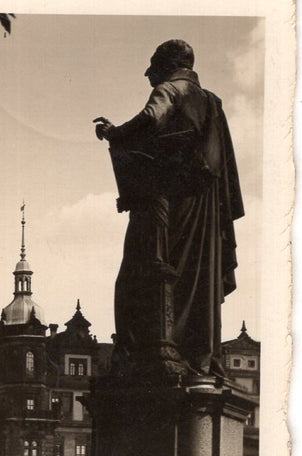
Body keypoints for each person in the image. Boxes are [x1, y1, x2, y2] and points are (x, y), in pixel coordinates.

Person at [94, 39, 243, 377]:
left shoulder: (170, 90)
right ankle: (198, 356)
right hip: (205, 206)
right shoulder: (211, 102)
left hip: (170, 199)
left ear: (168, 64)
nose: (147, 73)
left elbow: (151, 118)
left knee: (141, 273)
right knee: (198, 277)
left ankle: (146, 353)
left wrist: (114, 133)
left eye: (152, 65)